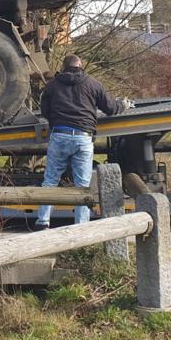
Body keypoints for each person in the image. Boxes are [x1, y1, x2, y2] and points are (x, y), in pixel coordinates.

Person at [35, 54, 130, 229]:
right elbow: (110, 108)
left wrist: (57, 120)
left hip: (59, 135)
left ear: (63, 67)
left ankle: (43, 221)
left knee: (50, 180)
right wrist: (122, 105)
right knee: (83, 185)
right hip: (83, 137)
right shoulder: (93, 84)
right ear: (80, 65)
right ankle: (81, 226)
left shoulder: (52, 85)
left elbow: (45, 111)